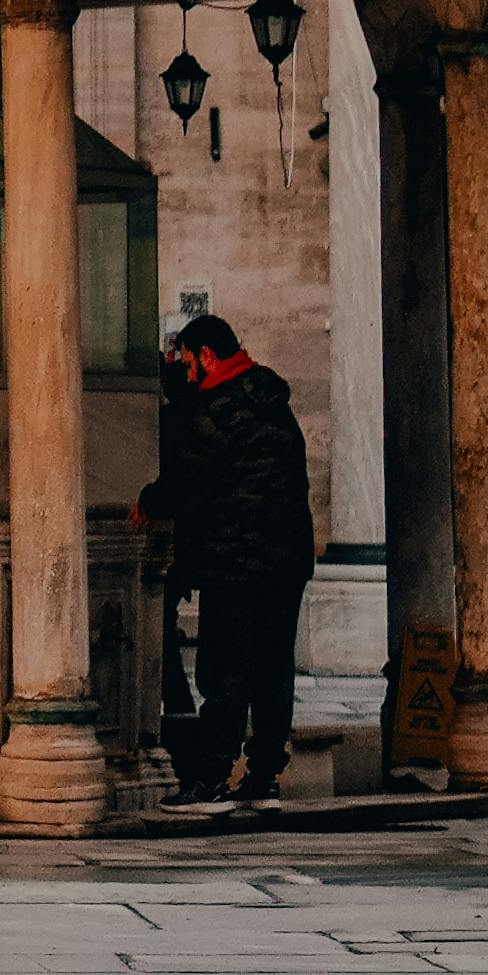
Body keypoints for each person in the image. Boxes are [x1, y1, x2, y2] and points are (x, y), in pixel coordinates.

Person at [136, 307, 319, 803]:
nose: (187, 373)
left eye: (190, 362)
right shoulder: (272, 401)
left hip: (237, 562)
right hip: (286, 562)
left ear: (209, 356)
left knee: (224, 671)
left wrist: (147, 503)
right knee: (274, 669)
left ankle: (211, 777)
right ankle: (263, 776)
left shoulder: (217, 411)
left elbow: (183, 482)